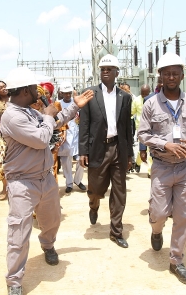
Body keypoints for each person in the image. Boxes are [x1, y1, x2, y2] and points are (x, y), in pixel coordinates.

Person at [0, 67, 93, 295]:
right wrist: (50, 116)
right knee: (19, 233)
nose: (38, 92)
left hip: (44, 178)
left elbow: (55, 120)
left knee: (52, 220)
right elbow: (42, 138)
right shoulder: (12, 116)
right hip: (22, 182)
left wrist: (74, 107)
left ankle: (48, 245)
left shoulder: (29, 112)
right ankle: (14, 281)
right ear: (23, 90)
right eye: (34, 88)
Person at [138, 53, 186, 285]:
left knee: (184, 216)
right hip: (162, 166)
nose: (171, 77)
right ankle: (156, 231)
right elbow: (143, 134)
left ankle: (176, 260)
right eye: (166, 73)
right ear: (160, 75)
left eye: (175, 73)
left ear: (182, 75)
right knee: (158, 213)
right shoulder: (151, 104)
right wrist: (165, 144)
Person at [79, 54, 133, 249]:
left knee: (119, 192)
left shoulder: (125, 97)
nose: (106, 71)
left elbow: (128, 127)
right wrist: (83, 151)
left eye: (109, 69)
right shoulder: (90, 94)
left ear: (117, 72)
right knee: (95, 188)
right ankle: (93, 204)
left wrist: (130, 154)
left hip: (118, 148)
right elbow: (84, 125)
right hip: (97, 149)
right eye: (103, 69)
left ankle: (116, 231)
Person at [58, 81, 86, 193]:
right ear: (61, 93)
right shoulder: (58, 104)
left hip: (78, 133)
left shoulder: (78, 102)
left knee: (82, 159)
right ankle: (69, 183)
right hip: (65, 135)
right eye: (65, 93)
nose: (68, 95)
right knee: (66, 160)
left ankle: (78, 180)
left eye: (69, 93)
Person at [133, 84, 151, 173]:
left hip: (151, 128)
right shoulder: (136, 100)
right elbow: (131, 112)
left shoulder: (153, 100)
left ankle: (150, 171)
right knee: (143, 148)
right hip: (140, 129)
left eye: (146, 94)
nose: (144, 96)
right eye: (142, 94)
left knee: (150, 149)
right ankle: (138, 162)